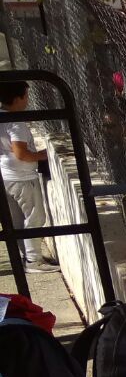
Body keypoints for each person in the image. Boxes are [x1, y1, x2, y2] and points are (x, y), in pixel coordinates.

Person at [0, 80, 57, 273]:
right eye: (26, 95)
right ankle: (33, 261)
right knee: (36, 216)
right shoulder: (16, 123)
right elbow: (21, 154)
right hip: (22, 177)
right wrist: (43, 154)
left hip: (5, 177)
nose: (28, 99)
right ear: (18, 98)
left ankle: (25, 257)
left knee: (17, 220)